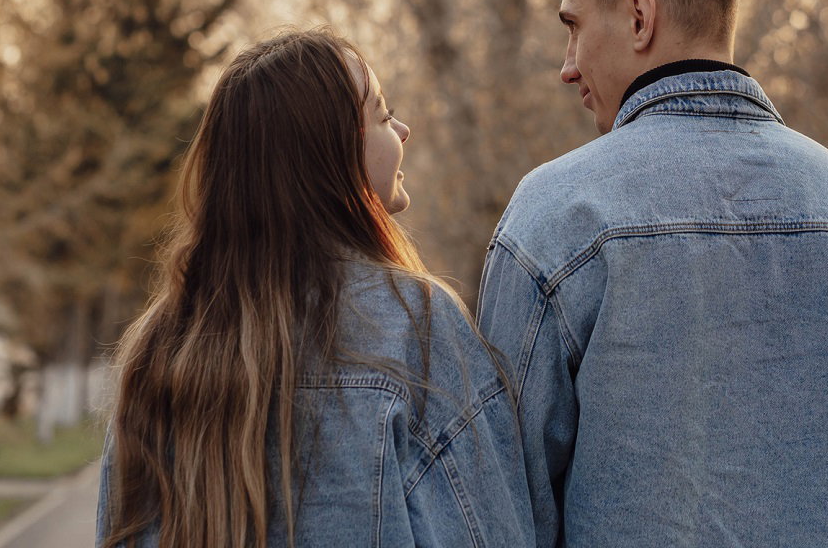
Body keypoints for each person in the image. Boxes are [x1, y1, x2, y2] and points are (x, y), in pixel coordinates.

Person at [477, 0, 828, 547]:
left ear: (640, 16)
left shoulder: (558, 220)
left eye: (574, 27)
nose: (567, 67)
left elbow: (502, 511)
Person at [96, 28, 534, 548]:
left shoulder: (161, 343)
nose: (404, 129)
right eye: (383, 115)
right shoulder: (413, 324)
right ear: (331, 156)